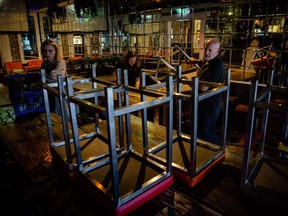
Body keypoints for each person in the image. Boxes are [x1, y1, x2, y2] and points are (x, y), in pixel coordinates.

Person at [195, 38, 225, 146]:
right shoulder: (208, 62)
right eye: (206, 49)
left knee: (207, 132)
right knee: (200, 131)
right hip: (203, 102)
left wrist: (191, 83)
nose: (207, 53)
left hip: (211, 104)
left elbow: (204, 87)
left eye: (210, 50)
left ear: (217, 51)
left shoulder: (217, 65)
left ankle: (218, 154)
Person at [41, 38, 67, 115]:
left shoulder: (60, 62)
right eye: (45, 51)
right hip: (50, 91)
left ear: (55, 51)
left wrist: (43, 77)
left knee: (63, 113)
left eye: (50, 51)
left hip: (61, 91)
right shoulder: (44, 64)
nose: (47, 53)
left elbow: (55, 76)